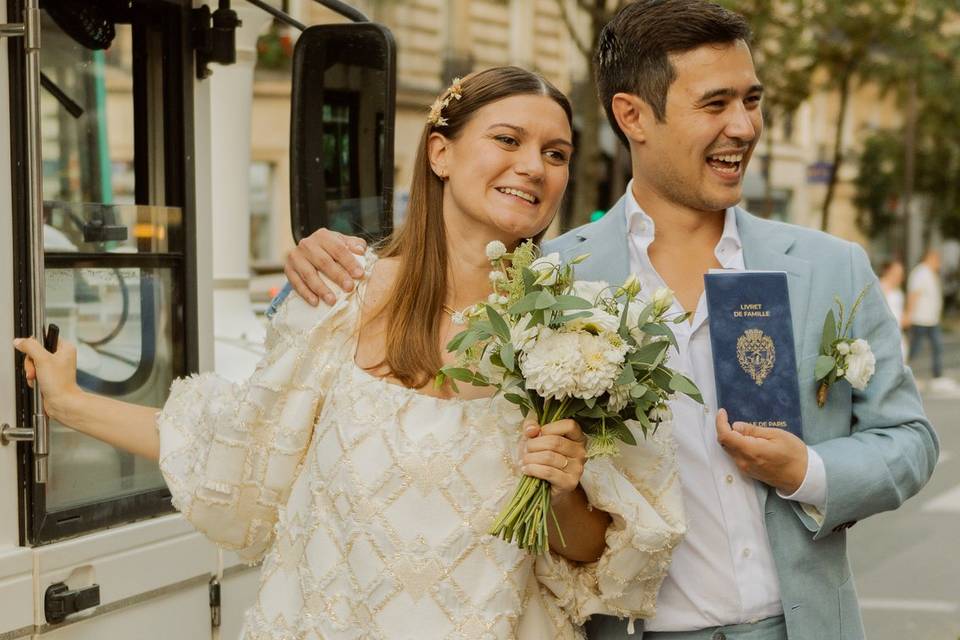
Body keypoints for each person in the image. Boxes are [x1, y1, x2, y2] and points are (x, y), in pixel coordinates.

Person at [277, 2, 939, 639]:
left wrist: (809, 473)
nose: (744, 126)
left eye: (752, 100)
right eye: (716, 104)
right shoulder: (545, 283)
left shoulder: (829, 268)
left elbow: (909, 440)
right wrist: (333, 261)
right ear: (633, 116)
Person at [15, 67, 686, 638]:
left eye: (556, 153)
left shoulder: (580, 339)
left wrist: (564, 489)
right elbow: (230, 449)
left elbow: (590, 554)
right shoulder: (338, 297)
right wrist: (70, 404)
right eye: (507, 140)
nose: (533, 166)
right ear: (440, 154)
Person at [906, 248, 957, 393]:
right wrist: (909, 314)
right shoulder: (920, 273)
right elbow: (914, 294)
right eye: (937, 260)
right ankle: (907, 370)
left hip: (931, 319)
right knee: (915, 348)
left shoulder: (930, 273)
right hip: (920, 319)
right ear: (930, 258)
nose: (939, 263)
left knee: (937, 347)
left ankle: (937, 375)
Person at [878, 259, 908, 356]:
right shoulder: (880, 287)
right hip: (885, 335)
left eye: (901, 274)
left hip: (898, 333)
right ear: (888, 271)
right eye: (897, 273)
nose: (900, 277)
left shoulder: (898, 290)